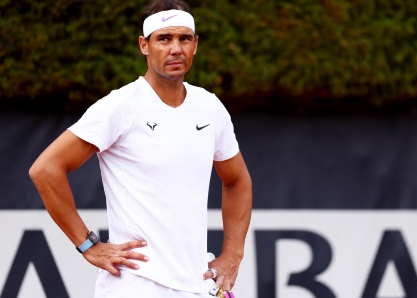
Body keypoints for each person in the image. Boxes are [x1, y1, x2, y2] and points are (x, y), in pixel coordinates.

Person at [28, 0, 252, 297]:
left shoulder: (209, 108)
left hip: (197, 286)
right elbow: (45, 170)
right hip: (135, 285)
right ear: (144, 46)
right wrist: (88, 245)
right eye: (164, 39)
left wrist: (233, 255)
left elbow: (237, 180)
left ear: (195, 45)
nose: (176, 48)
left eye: (184, 38)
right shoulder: (120, 105)